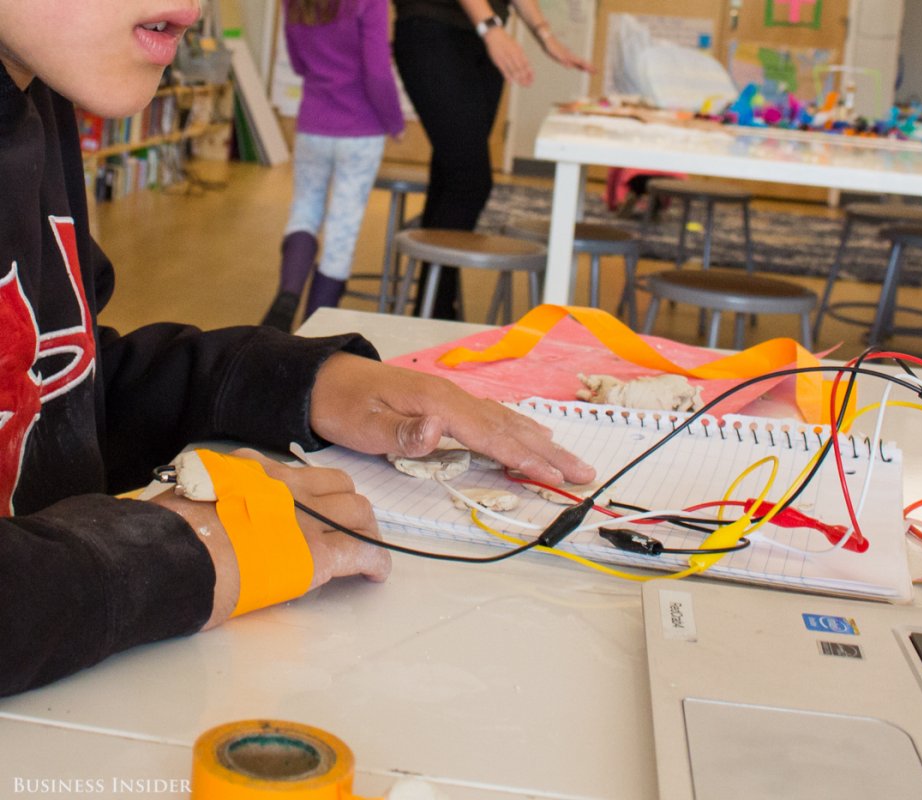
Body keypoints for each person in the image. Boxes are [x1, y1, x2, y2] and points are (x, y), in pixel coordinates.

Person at [0, 0, 595, 697]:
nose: (194, 5)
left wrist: (304, 382)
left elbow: (62, 394)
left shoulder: (34, 100)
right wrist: (169, 557)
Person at [391, 0, 592, 320]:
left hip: (481, 38)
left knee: (451, 175)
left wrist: (544, 34)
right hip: (435, 27)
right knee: (469, 180)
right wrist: (490, 27)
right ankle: (435, 312)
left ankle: (431, 307)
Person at [261, 0, 405, 332]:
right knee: (343, 230)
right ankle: (314, 330)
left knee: (304, 211)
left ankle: (288, 295)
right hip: (361, 128)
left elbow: (298, 64)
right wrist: (394, 121)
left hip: (313, 123)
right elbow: (377, 71)